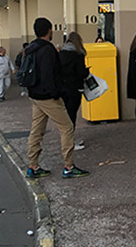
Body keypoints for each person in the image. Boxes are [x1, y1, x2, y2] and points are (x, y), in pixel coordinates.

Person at [25, 17, 89, 179]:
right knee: (67, 127)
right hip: (48, 97)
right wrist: (56, 93)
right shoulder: (48, 49)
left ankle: (33, 166)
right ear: (49, 30)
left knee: (36, 130)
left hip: (35, 95)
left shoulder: (31, 48)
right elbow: (49, 74)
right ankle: (69, 166)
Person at [59, 32, 89, 127]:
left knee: (65, 113)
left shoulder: (61, 53)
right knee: (72, 113)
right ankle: (70, 138)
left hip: (62, 87)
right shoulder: (78, 54)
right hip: (74, 88)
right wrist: (87, 71)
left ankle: (66, 136)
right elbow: (82, 73)